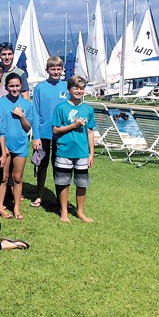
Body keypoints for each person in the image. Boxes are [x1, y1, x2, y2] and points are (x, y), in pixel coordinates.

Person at [52, 75, 95, 224]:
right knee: (63, 182)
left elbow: (90, 132)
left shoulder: (88, 110)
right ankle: (64, 212)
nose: (79, 91)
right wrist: (73, 126)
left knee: (82, 183)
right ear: (69, 89)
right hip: (64, 151)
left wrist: (91, 153)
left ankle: (80, 212)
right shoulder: (61, 108)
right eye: (76, 87)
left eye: (81, 88)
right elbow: (56, 130)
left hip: (82, 152)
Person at [0, 72, 36, 220]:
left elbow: (27, 128)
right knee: (4, 177)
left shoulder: (26, 104)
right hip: (5, 146)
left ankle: (17, 208)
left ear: (21, 86)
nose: (14, 88)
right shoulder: (0, 102)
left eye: (17, 86)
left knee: (17, 178)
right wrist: (3, 147)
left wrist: (21, 115)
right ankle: (0, 206)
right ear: (6, 87)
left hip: (21, 145)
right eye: (11, 86)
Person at [31, 56, 68, 209]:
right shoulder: (40, 88)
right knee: (42, 165)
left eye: (58, 69)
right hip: (44, 133)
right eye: (52, 69)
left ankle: (60, 198)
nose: (55, 72)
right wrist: (36, 136)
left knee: (60, 166)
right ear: (47, 70)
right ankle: (39, 195)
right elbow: (35, 112)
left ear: (62, 70)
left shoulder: (67, 86)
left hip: (62, 133)